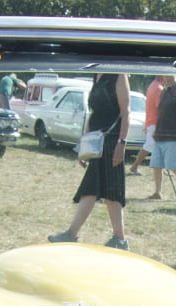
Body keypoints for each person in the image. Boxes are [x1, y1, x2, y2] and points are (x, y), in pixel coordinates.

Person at [48, 72, 131, 250]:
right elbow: (93, 112)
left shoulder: (118, 75)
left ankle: (118, 239)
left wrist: (121, 143)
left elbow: (126, 112)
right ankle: (75, 234)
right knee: (92, 189)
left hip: (111, 140)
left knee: (110, 191)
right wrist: (84, 144)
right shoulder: (97, 75)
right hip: (96, 141)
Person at [147, 74, 176, 201]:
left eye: (167, 75)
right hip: (160, 134)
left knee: (173, 166)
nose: (164, 77)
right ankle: (158, 192)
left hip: (173, 135)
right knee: (156, 164)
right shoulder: (164, 90)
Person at [128, 75, 164, 176]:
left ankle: (162, 168)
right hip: (155, 121)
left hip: (150, 120)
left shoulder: (152, 85)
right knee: (149, 145)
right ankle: (134, 167)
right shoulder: (159, 88)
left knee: (156, 146)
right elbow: (160, 107)